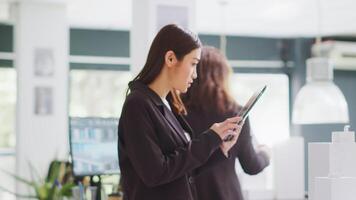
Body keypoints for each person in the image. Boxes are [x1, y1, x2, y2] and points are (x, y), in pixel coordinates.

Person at [118, 24, 243, 200]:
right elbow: (156, 173)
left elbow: (183, 169)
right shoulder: (137, 105)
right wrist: (209, 139)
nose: (195, 75)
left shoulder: (167, 104)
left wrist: (220, 148)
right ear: (170, 59)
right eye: (193, 64)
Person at [182, 46, 270, 200]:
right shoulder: (235, 114)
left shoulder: (179, 113)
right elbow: (251, 165)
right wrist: (266, 153)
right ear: (223, 77)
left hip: (192, 193)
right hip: (226, 194)